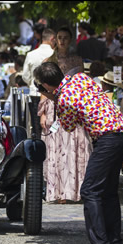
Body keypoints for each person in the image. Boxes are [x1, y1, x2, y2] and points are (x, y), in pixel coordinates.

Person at [34, 62, 123, 244]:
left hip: (107, 138)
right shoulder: (81, 78)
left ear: (45, 86)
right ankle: (115, 243)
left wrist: (54, 99)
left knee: (90, 190)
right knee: (109, 192)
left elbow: (68, 126)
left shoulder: (63, 100)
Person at [40, 27, 90, 203]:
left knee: (74, 147)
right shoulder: (49, 60)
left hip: (73, 107)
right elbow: (44, 88)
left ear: (70, 40)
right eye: (59, 38)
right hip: (54, 106)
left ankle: (75, 190)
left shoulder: (76, 60)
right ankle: (59, 191)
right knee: (57, 148)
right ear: (55, 40)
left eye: (65, 38)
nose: (61, 41)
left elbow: (82, 84)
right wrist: (43, 113)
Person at [22, 28, 56, 96]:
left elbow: (25, 76)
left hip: (34, 92)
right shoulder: (54, 54)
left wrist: (32, 83)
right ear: (52, 39)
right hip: (51, 95)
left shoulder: (30, 54)